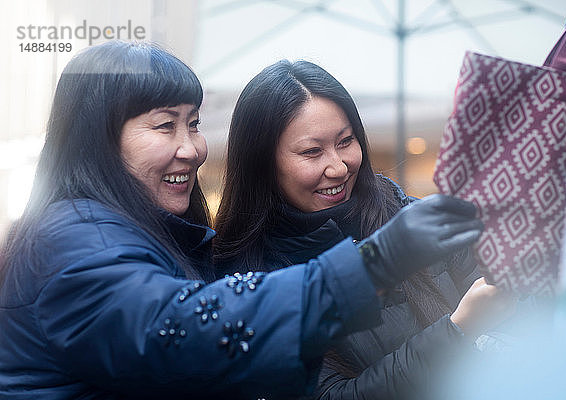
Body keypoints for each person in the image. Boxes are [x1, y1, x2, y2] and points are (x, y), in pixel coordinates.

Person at [0, 41, 485, 399]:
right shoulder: (75, 243)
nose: (190, 149)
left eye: (192, 123)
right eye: (165, 125)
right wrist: (377, 264)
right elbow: (191, 329)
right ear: (98, 139)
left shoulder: (160, 237)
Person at [214, 60, 516, 399]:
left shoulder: (417, 221)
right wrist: (458, 330)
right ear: (262, 164)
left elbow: (521, 328)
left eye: (346, 141)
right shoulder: (244, 283)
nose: (339, 166)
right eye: (312, 152)